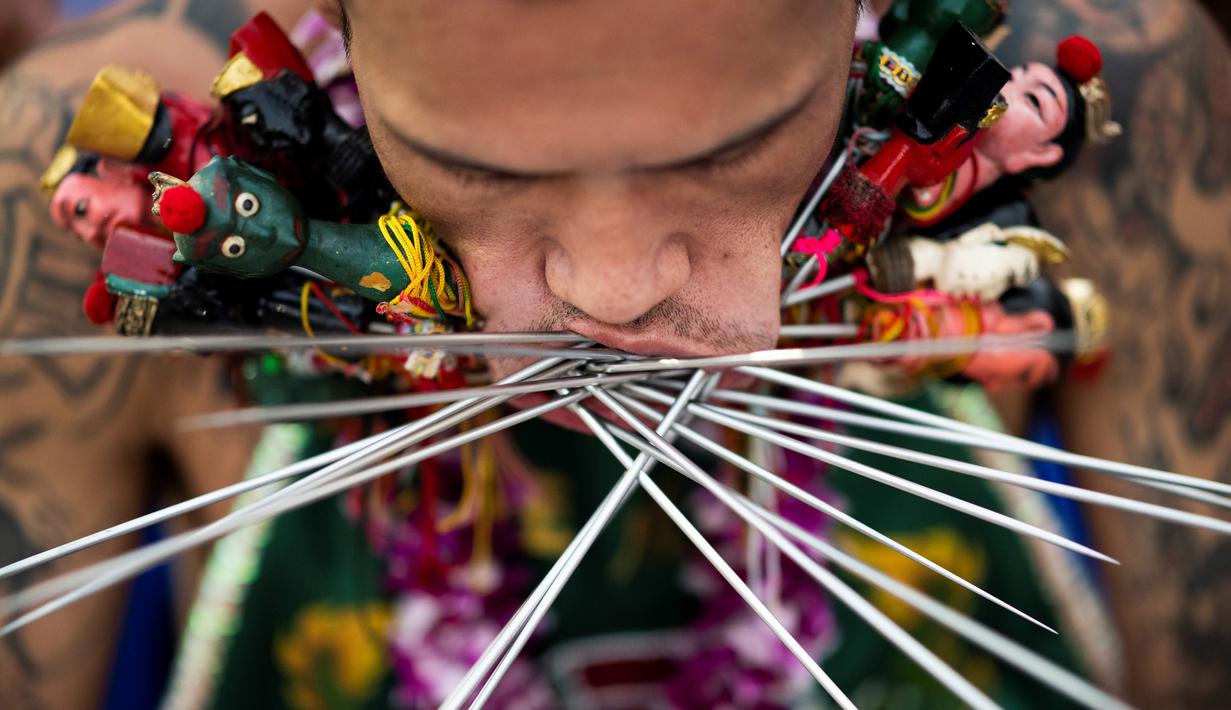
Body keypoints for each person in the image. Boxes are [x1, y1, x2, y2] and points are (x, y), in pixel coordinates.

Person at [0, 0, 1228, 707]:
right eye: (481, 166)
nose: (611, 289)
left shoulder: (1110, 106)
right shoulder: (83, 182)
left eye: (725, 151)